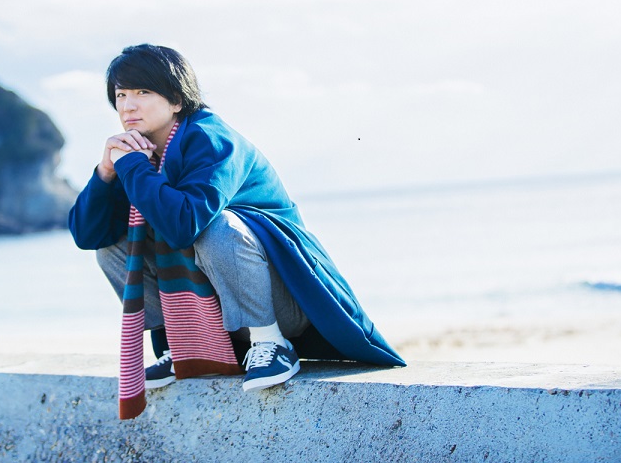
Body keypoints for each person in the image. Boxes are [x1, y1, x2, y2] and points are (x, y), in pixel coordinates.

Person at [69, 44, 404, 395]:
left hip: (286, 302)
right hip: (221, 307)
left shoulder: (211, 140)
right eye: (121, 94)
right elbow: (88, 235)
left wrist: (132, 166)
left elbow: (184, 225)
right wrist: (106, 172)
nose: (128, 106)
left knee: (217, 228)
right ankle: (180, 345)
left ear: (177, 100)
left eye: (142, 92)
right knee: (111, 246)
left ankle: (271, 344)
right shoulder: (139, 154)